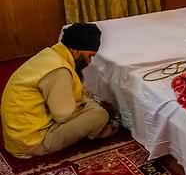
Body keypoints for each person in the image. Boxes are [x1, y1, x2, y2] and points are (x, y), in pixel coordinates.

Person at [1, 23, 117, 158]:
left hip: (21, 134)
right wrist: (94, 111)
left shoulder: (51, 55)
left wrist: (89, 103)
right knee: (100, 115)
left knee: (91, 105)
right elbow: (63, 115)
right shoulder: (59, 70)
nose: (89, 61)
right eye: (90, 55)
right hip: (32, 142)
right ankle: (96, 133)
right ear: (76, 50)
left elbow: (77, 95)